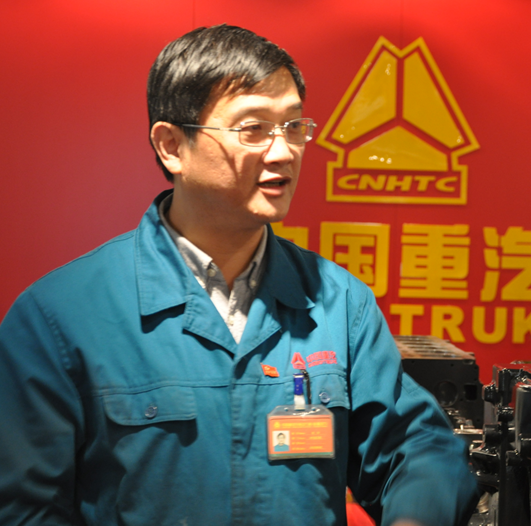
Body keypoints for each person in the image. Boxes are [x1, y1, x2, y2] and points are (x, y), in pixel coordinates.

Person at [0, 24, 479, 526]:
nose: (284, 151)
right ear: (172, 146)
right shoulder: (59, 318)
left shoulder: (340, 304)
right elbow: (22, 506)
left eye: (293, 126)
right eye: (254, 129)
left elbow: (416, 449)